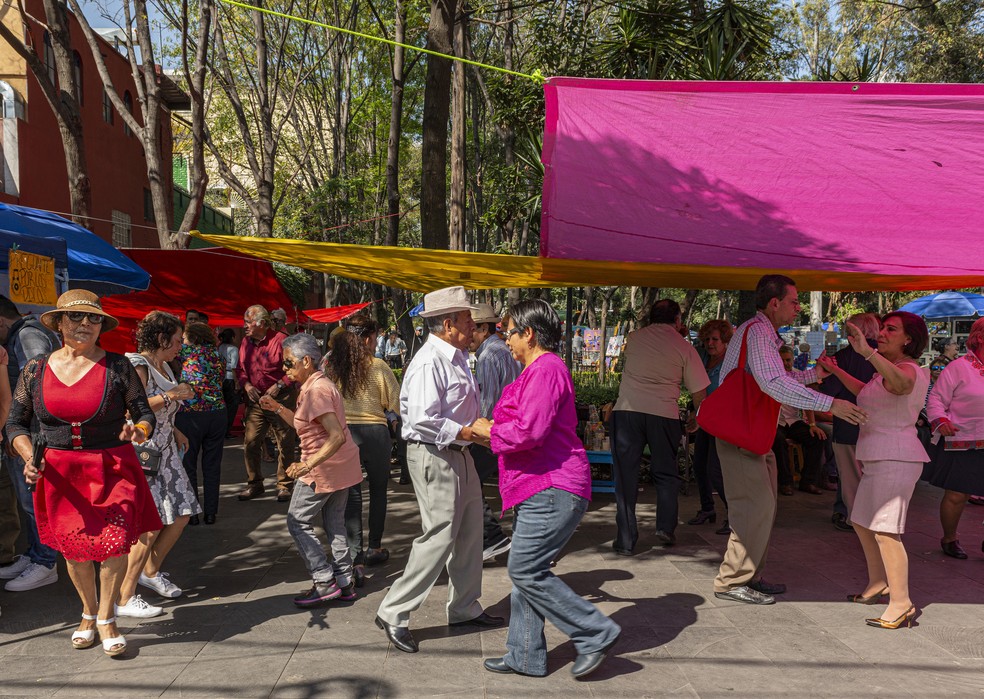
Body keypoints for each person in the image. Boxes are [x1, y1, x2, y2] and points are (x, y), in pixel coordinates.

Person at [5, 290, 161, 656]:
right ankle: (88, 613)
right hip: (60, 475)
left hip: (114, 467)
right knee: (75, 554)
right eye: (75, 317)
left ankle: (107, 618)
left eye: (93, 319)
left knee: (112, 544)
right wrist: (30, 456)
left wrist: (138, 432)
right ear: (59, 323)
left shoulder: (118, 367)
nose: (85, 324)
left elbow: (144, 413)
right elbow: (15, 424)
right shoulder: (35, 369)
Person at [470, 299, 621, 679]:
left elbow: (529, 431)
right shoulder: (536, 370)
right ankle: (524, 654)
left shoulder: (547, 368)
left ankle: (594, 631)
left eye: (509, 332)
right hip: (535, 486)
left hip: (552, 485)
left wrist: (489, 431)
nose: (505, 339)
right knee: (527, 572)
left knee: (524, 569)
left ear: (529, 333)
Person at [711, 275, 867, 606]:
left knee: (762, 506)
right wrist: (830, 403)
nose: (798, 308)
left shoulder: (763, 334)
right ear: (774, 303)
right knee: (753, 507)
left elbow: (778, 378)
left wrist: (815, 376)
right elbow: (771, 383)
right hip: (743, 432)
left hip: (753, 432)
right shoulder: (757, 333)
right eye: (794, 301)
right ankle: (732, 581)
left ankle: (749, 574)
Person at [374, 286, 503, 654]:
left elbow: (456, 410)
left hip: (458, 451)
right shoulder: (431, 360)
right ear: (448, 324)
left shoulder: (457, 356)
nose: (473, 325)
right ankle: (394, 610)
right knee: (440, 535)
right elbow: (423, 418)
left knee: (470, 531)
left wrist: (477, 432)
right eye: (466, 319)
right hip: (435, 452)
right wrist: (468, 432)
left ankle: (464, 606)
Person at [817, 311, 928, 628]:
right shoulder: (883, 373)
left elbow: (902, 384)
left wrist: (867, 352)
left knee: (885, 530)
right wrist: (836, 370)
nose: (882, 333)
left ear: (909, 339)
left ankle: (902, 602)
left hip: (896, 458)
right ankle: (878, 583)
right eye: (882, 328)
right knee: (862, 521)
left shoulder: (909, 370)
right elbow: (863, 390)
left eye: (891, 329)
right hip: (879, 457)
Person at [260, 334, 363, 607]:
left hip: (324, 468)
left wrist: (307, 464)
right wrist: (278, 407)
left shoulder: (316, 390)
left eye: (288, 363)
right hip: (340, 465)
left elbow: (335, 436)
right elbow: (303, 424)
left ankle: (324, 580)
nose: (285, 369)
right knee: (335, 524)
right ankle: (344, 580)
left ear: (306, 361)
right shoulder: (315, 385)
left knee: (297, 520)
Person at [611, 299, 709, 553]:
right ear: (677, 320)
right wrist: (697, 417)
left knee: (625, 476)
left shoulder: (633, 337)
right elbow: (700, 392)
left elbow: (652, 344)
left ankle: (625, 540)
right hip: (663, 414)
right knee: (666, 474)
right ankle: (665, 527)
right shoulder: (684, 348)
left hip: (627, 412)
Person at [119, 312, 199, 619]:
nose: (181, 345)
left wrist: (175, 428)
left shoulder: (164, 364)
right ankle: (124, 596)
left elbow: (162, 408)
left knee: (181, 512)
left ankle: (150, 571)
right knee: (148, 526)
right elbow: (131, 409)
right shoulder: (137, 364)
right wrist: (171, 395)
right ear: (161, 338)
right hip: (144, 453)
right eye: (177, 339)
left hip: (165, 450)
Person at [323, 313, 401, 586]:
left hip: (346, 435)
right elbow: (394, 403)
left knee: (352, 497)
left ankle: (355, 559)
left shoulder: (333, 366)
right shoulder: (379, 366)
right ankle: (375, 547)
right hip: (376, 433)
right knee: (379, 490)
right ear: (369, 338)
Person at [0, 295, 60, 592]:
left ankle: (46, 562)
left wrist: (20, 431)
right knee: (29, 502)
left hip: (33, 435)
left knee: (34, 501)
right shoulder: (24, 332)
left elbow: (37, 379)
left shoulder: (26, 334)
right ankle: (38, 553)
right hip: (26, 432)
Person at [927, 317, 984, 560]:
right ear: (980, 337)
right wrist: (941, 420)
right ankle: (949, 538)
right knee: (957, 494)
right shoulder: (958, 367)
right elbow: (936, 399)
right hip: (964, 437)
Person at [819, 313, 880, 532]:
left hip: (847, 425)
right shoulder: (885, 356)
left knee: (851, 479)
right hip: (878, 426)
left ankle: (856, 521)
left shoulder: (844, 357)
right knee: (872, 478)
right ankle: (871, 520)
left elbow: (829, 391)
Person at [469, 302, 520, 561]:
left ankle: (492, 536)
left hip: (496, 431)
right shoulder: (504, 351)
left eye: (472, 328)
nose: (468, 335)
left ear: (484, 328)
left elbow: (488, 402)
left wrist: (479, 433)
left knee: (468, 480)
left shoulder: (489, 355)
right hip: (512, 429)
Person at [237, 304, 298, 502]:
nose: (244, 326)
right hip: (256, 400)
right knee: (251, 442)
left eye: (248, 322)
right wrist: (246, 386)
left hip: (281, 398)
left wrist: (279, 385)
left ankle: (285, 484)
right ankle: (254, 484)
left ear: (262, 323)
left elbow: (294, 369)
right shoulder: (245, 342)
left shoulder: (281, 341)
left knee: (285, 442)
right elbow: (240, 370)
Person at [176, 322, 228, 525]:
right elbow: (222, 380)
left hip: (191, 413)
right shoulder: (218, 356)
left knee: (188, 464)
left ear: (193, 339)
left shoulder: (186, 352)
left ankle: (193, 513)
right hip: (217, 413)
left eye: (185, 338)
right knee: (212, 465)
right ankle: (211, 513)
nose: (183, 341)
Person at [688, 319, 732, 535]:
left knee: (716, 470)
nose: (710, 343)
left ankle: (734, 516)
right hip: (704, 419)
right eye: (707, 339)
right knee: (699, 467)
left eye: (715, 339)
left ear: (725, 340)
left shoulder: (730, 362)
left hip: (723, 422)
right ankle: (707, 509)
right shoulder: (704, 357)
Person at [775, 346, 828, 496]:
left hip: (793, 420)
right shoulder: (771, 378)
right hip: (776, 421)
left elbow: (807, 401)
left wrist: (812, 425)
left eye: (788, 360)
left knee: (817, 437)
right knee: (777, 440)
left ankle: (808, 481)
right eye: (782, 360)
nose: (785, 363)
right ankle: (785, 482)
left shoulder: (800, 377)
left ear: (793, 360)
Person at [218, 329, 241, 437]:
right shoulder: (234, 349)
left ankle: (221, 429)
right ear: (232, 337)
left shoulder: (220, 347)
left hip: (221, 378)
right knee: (232, 406)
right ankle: (227, 430)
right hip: (231, 378)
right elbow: (234, 367)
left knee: (224, 405)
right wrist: (237, 382)